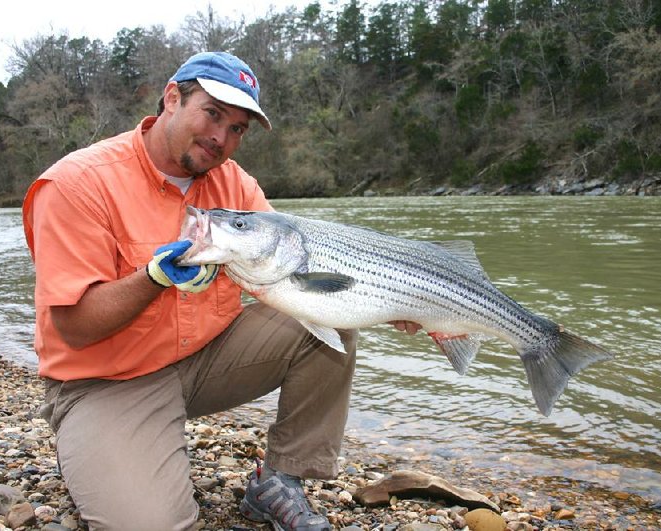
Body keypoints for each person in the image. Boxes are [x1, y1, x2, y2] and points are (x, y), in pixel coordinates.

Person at [22, 51, 418, 531]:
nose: (221, 138)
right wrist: (154, 278)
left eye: (238, 128)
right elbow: (74, 327)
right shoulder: (76, 184)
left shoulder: (236, 185)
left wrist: (394, 300)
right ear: (173, 97)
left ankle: (279, 481)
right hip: (105, 383)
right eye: (212, 113)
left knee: (329, 322)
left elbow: (298, 269)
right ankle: (96, 450)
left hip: (203, 361)